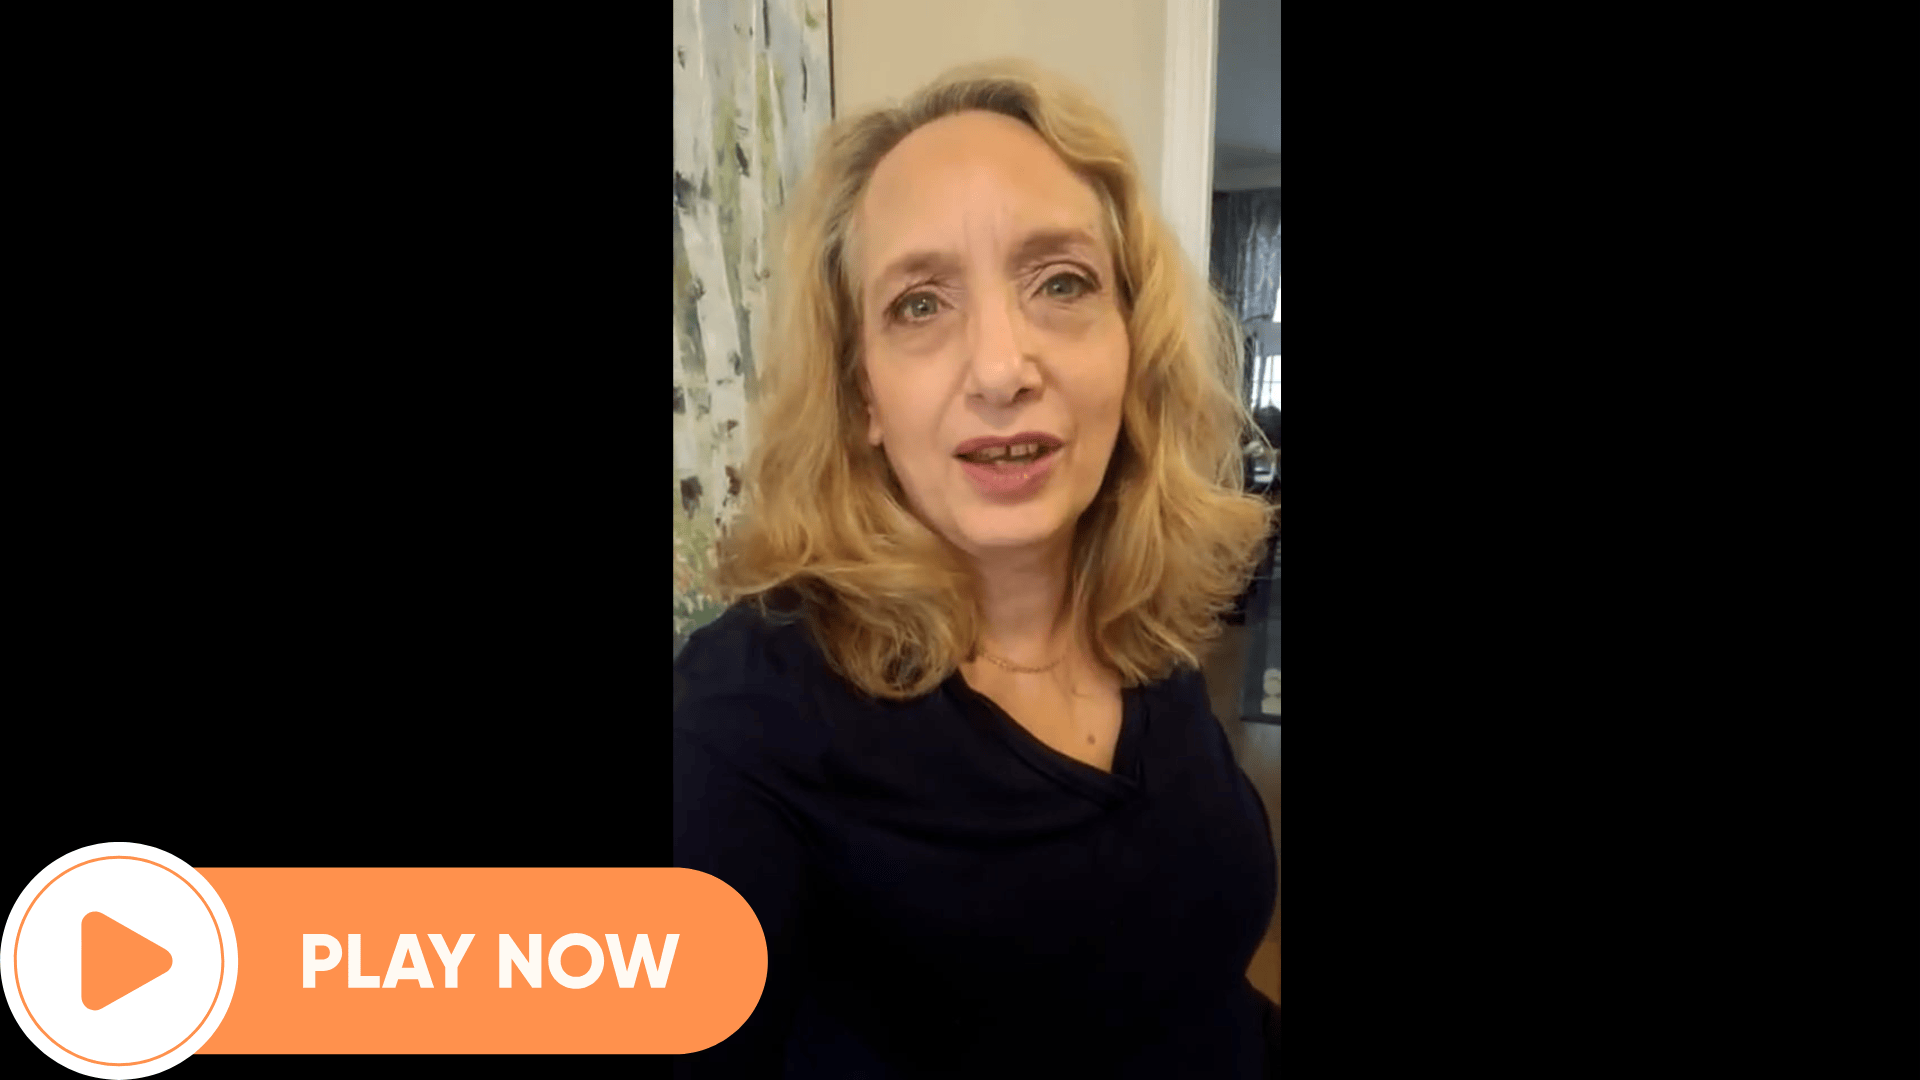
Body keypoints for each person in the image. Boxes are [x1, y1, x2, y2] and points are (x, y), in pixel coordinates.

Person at [674, 59, 1280, 1078]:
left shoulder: (1141, 621)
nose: (1001, 369)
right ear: (864, 395)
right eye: (920, 304)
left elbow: (1194, 983)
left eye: (1062, 283)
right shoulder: (741, 718)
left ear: (1132, 343)